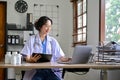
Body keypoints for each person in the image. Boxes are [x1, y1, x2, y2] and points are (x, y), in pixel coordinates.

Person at [21, 16, 71, 80]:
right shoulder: (32, 39)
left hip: (50, 71)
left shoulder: (53, 41)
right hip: (36, 71)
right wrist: (31, 60)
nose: (48, 28)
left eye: (50, 26)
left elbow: (60, 57)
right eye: (46, 26)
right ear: (40, 26)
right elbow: (26, 57)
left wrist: (68, 59)